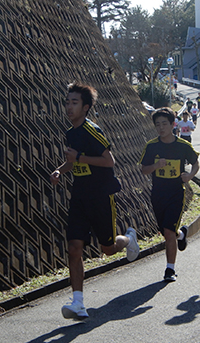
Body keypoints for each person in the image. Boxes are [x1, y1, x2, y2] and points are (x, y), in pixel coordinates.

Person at [50, 82, 140, 320]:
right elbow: (73, 162)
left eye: (74, 102)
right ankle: (78, 302)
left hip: (100, 196)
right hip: (79, 197)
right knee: (73, 248)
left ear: (86, 107)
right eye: (67, 102)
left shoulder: (92, 130)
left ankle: (129, 238)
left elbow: (108, 161)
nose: (69, 107)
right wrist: (61, 170)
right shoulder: (70, 133)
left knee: (108, 249)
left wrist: (78, 157)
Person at [139, 107, 200, 281]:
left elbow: (196, 163)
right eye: (157, 124)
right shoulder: (151, 147)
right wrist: (156, 166)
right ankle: (181, 234)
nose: (161, 128)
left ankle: (170, 269)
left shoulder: (183, 146)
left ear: (173, 124)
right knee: (167, 232)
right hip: (158, 193)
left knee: (168, 230)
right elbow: (143, 170)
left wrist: (189, 175)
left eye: (164, 123)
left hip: (176, 193)